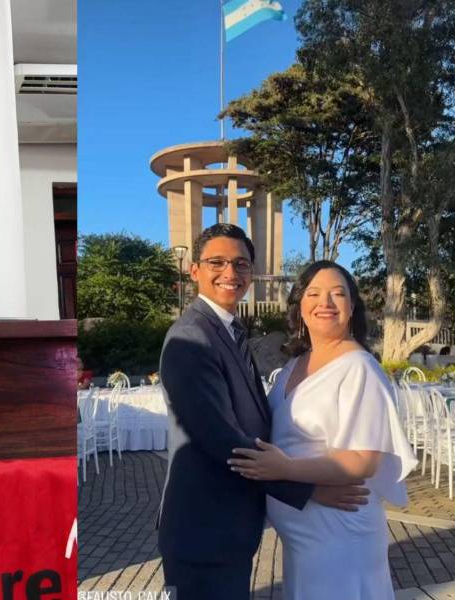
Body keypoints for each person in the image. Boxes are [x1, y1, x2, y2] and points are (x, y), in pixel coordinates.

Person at [158, 224, 369, 600]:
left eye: (241, 264)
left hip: (229, 529)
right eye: (217, 262)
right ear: (194, 271)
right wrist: (308, 489)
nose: (230, 274)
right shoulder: (191, 337)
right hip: (204, 529)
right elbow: (221, 440)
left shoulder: (228, 330)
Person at [228, 261, 417, 599]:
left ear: (352, 306)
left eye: (337, 294)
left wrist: (285, 469)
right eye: (313, 293)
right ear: (300, 306)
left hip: (339, 531)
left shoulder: (359, 369)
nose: (325, 303)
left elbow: (362, 461)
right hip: (305, 532)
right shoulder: (295, 364)